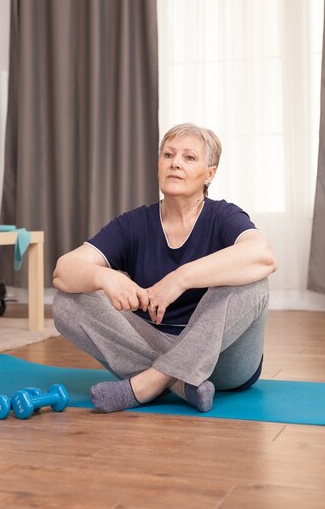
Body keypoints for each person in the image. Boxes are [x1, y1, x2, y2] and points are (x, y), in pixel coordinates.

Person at [52, 123, 277, 414]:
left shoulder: (223, 216)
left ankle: (145, 385)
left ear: (209, 173)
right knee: (68, 300)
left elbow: (264, 256)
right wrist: (103, 276)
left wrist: (181, 278)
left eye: (189, 157)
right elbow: (63, 270)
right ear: (158, 166)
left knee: (254, 282)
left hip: (223, 360)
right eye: (168, 155)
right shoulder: (134, 224)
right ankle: (180, 384)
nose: (175, 163)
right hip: (153, 342)